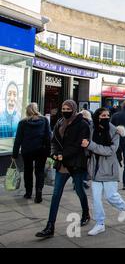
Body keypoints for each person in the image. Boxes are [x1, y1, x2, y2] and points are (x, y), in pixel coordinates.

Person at [35, 100, 91, 239]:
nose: (65, 110)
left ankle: (86, 213)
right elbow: (53, 141)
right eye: (63, 108)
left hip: (76, 164)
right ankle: (50, 226)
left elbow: (79, 145)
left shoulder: (82, 124)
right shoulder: (59, 122)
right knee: (56, 194)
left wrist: (62, 154)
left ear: (73, 109)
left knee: (79, 190)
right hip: (62, 165)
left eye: (68, 108)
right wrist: (54, 153)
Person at [81, 108, 125, 236]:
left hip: (109, 168)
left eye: (108, 115)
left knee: (110, 196)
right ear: (97, 116)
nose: (106, 117)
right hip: (95, 168)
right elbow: (87, 148)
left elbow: (109, 150)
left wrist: (90, 145)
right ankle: (100, 223)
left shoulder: (115, 131)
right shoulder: (91, 129)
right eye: (103, 115)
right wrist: (85, 147)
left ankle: (124, 207)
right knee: (96, 199)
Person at [12, 103, 51, 203]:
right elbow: (48, 137)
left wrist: (14, 154)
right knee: (39, 172)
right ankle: (38, 193)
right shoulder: (44, 120)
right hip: (41, 151)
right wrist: (49, 152)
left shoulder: (22, 123)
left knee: (28, 171)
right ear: (36, 109)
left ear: (27, 111)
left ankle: (28, 193)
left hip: (27, 150)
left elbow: (18, 139)